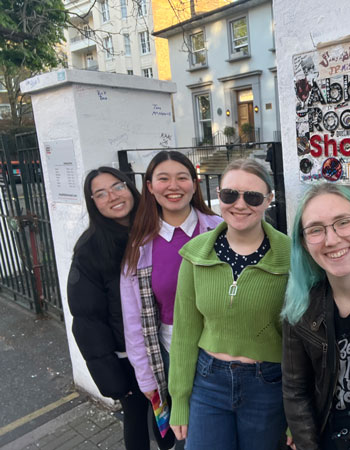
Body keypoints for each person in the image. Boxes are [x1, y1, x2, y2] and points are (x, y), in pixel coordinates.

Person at [168, 158, 291, 450]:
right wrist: (179, 400)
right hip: (208, 382)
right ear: (218, 195)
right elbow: (184, 332)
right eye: (229, 194)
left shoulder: (290, 256)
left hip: (268, 384)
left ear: (268, 200)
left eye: (252, 196)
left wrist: (297, 415)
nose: (239, 204)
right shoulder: (196, 254)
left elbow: (300, 339)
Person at [120, 151, 222, 446]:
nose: (173, 186)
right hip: (169, 352)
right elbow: (133, 320)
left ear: (195, 183)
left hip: (223, 346)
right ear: (150, 187)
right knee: (183, 436)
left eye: (182, 177)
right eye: (163, 178)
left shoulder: (219, 229)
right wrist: (146, 378)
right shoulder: (141, 246)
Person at [280, 183, 350, 450]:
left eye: (343, 222)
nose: (332, 239)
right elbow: (295, 390)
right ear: (304, 244)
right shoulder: (300, 308)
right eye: (316, 230)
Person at [67, 166, 162, 449]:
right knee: (137, 417)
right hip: (126, 358)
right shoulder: (90, 250)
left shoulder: (153, 229)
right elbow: (87, 321)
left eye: (117, 187)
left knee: (166, 416)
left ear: (130, 188)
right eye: (101, 194)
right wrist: (113, 378)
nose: (113, 196)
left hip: (164, 343)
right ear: (93, 203)